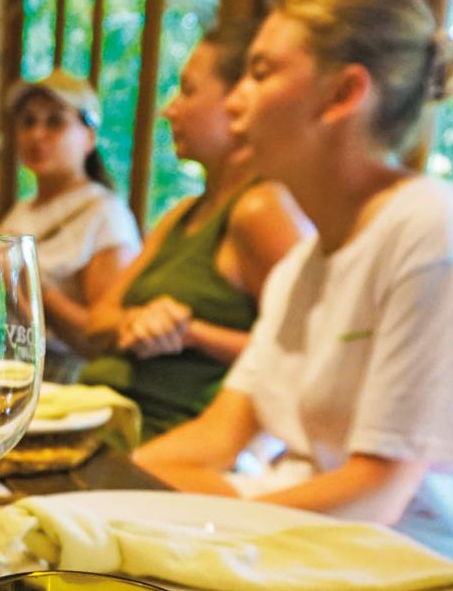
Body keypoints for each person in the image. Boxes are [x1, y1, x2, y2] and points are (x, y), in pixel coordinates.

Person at [135, 0, 453, 583]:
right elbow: (220, 433)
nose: (236, 99)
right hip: (317, 537)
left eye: (261, 73)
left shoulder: (431, 231)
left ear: (343, 94)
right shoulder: (304, 264)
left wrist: (206, 531)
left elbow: (378, 493)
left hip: (410, 569)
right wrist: (96, 486)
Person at [76, 22, 310, 440]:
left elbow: (303, 357)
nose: (169, 110)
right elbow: (98, 324)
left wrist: (190, 333)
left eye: (187, 90)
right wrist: (139, 319)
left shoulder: (259, 209)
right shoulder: (183, 212)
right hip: (99, 413)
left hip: (160, 434)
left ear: (239, 102)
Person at [0, 69, 141, 381]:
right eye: (28, 122)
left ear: (89, 137)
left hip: (64, 378)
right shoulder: (22, 209)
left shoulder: (106, 215)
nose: (37, 134)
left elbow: (104, 339)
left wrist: (34, 283)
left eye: (55, 122)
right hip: (8, 365)